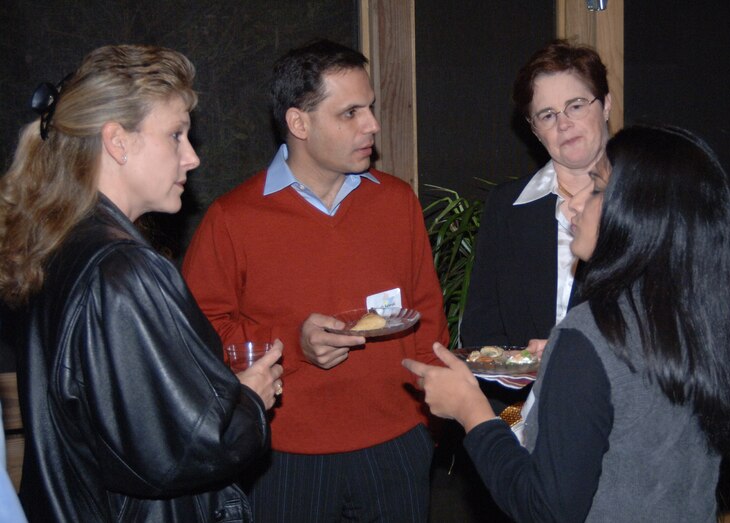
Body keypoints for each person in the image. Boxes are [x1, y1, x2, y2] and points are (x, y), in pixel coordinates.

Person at [403, 125, 730, 521]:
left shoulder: (590, 336)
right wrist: (562, 372)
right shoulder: (698, 311)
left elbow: (546, 509)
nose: (571, 205)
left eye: (595, 188)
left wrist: (470, 409)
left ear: (640, 213)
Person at [0, 45, 283, 522]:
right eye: (176, 135)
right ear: (117, 141)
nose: (192, 157)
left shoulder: (56, 241)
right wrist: (250, 402)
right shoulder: (122, 269)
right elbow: (177, 452)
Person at [182, 39, 449, 522]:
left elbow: (427, 312)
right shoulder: (232, 219)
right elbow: (196, 340)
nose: (371, 125)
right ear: (299, 123)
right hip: (282, 458)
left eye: (369, 108)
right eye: (350, 113)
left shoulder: (395, 201)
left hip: (396, 450)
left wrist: (427, 424)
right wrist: (293, 345)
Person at [461, 38, 611, 360]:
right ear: (533, 128)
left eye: (576, 105)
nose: (564, 123)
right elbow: (480, 329)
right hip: (525, 403)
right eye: (547, 115)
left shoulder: (649, 199)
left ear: (606, 104)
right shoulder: (505, 207)